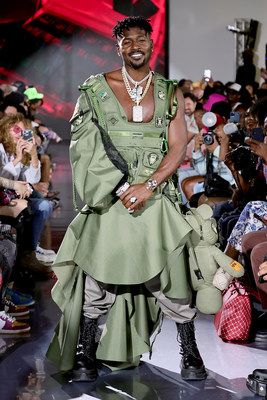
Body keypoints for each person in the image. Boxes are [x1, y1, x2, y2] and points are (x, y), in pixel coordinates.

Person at [47, 16, 207, 382]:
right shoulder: (95, 90)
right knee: (96, 277)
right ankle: (87, 352)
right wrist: (120, 188)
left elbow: (179, 145)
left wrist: (147, 186)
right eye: (127, 40)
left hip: (155, 195)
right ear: (117, 46)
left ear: (152, 44)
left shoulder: (169, 92)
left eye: (141, 39)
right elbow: (84, 146)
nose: (135, 46)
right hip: (109, 195)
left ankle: (190, 352)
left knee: (171, 278)